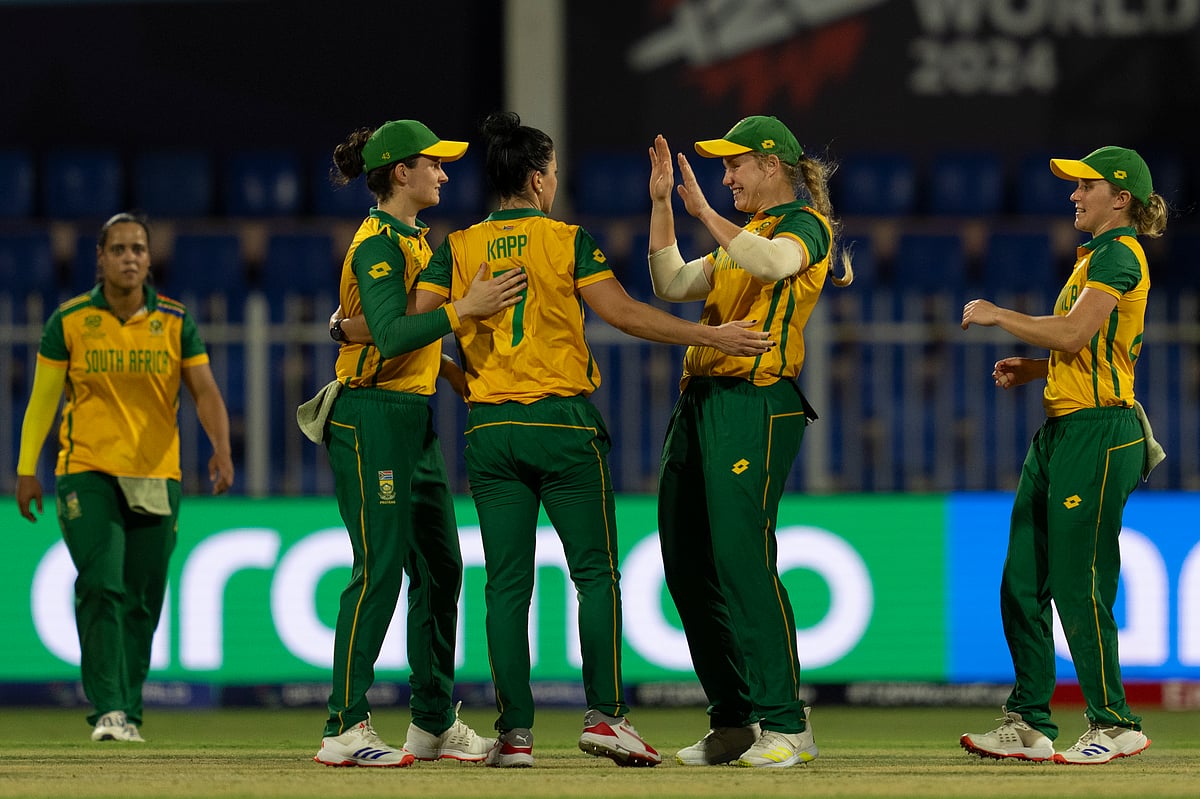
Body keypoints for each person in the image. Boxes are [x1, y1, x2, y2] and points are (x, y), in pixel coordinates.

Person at [402, 110, 774, 768]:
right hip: (560, 424)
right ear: (541, 178)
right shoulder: (565, 239)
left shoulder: (455, 248)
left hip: (489, 430)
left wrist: (463, 365)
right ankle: (605, 716)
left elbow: (411, 331)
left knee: (506, 587)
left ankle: (514, 736)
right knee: (595, 575)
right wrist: (711, 335)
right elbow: (626, 313)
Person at [307, 119, 527, 768]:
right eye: (434, 164)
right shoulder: (378, 243)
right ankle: (343, 727)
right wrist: (469, 308)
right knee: (377, 569)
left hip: (412, 420)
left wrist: (456, 372)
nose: (445, 173)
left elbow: (380, 331)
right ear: (401, 173)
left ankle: (432, 721)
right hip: (370, 415)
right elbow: (391, 332)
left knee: (440, 568)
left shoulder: (412, 240)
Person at [644, 116, 854, 768]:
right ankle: (733, 720)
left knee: (741, 558)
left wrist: (704, 209)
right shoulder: (746, 234)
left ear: (772, 164)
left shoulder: (803, 227)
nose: (726, 176)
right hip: (700, 401)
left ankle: (787, 723)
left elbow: (773, 262)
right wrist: (662, 211)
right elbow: (672, 283)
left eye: (735, 165)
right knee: (684, 562)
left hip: (756, 403)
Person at [959, 146, 1167, 765]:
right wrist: (1038, 369)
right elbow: (1089, 347)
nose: (1073, 195)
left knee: (1081, 581)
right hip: (1061, 433)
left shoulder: (1119, 255)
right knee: (1022, 581)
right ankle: (1028, 720)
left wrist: (1001, 315)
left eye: (1085, 186)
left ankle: (1115, 722)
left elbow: (1077, 333)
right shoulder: (1094, 257)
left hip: (1100, 435)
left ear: (1120, 198)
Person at [15, 212, 235, 743]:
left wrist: (222, 448)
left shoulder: (176, 321)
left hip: (158, 476)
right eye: (119, 249)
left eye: (139, 248)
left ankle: (128, 712)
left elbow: (203, 390)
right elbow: (44, 399)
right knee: (100, 585)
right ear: (100, 258)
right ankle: (108, 709)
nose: (130, 257)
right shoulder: (68, 321)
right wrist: (26, 469)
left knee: (142, 599)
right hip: (86, 472)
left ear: (149, 258)